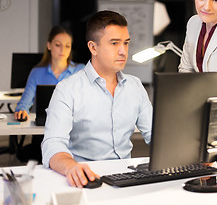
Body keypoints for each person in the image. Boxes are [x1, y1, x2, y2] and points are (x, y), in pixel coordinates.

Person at [41, 10, 152, 188]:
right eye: (114, 43)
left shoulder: (135, 86)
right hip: (88, 178)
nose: (123, 51)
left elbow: (156, 134)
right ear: (93, 47)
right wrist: (71, 167)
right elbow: (52, 145)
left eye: (126, 43)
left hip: (128, 179)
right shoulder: (67, 89)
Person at [14, 25, 84, 163]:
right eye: (58, 45)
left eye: (67, 46)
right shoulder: (37, 72)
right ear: (49, 45)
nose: (63, 50)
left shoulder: (80, 71)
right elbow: (25, 102)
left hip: (73, 133)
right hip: (43, 133)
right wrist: (21, 110)